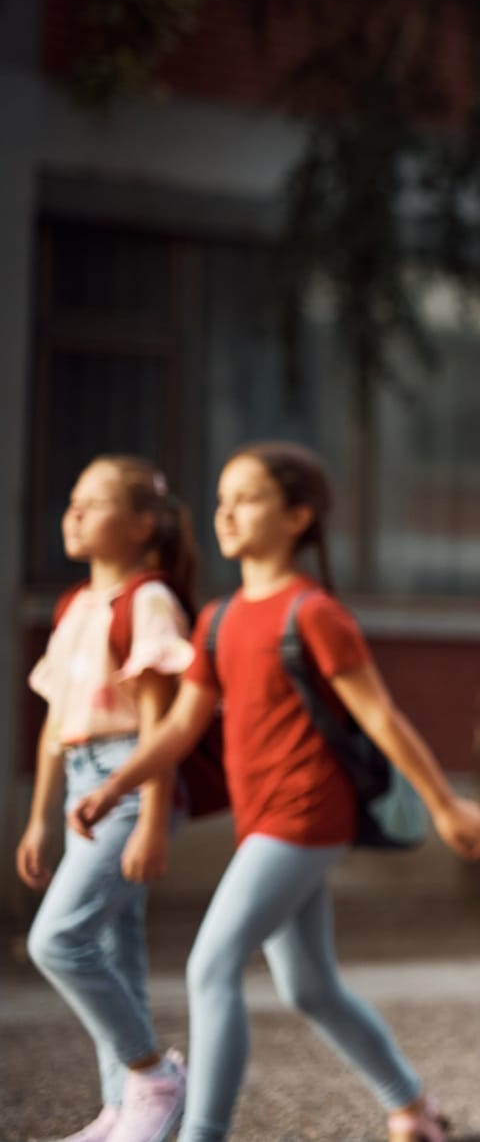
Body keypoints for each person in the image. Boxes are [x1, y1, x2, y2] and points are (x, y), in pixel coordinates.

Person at [71, 441, 480, 1142]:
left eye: (247, 497)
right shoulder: (220, 618)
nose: (226, 511)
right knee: (309, 986)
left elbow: (380, 716)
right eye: (222, 498)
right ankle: (413, 1108)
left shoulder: (314, 613)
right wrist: (118, 783)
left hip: (305, 815)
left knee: (211, 963)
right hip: (262, 817)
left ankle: (203, 1131)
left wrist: (447, 804)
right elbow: (180, 724)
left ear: (298, 515)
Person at [20, 456, 197, 1142]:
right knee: (114, 949)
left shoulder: (148, 600)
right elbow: (55, 728)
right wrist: (38, 816)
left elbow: (159, 723)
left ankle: (154, 1074)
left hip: (129, 782)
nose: (74, 514)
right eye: (72, 501)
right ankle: (122, 1110)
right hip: (81, 786)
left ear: (141, 524)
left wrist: (153, 818)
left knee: (57, 940)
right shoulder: (74, 607)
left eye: (92, 503)